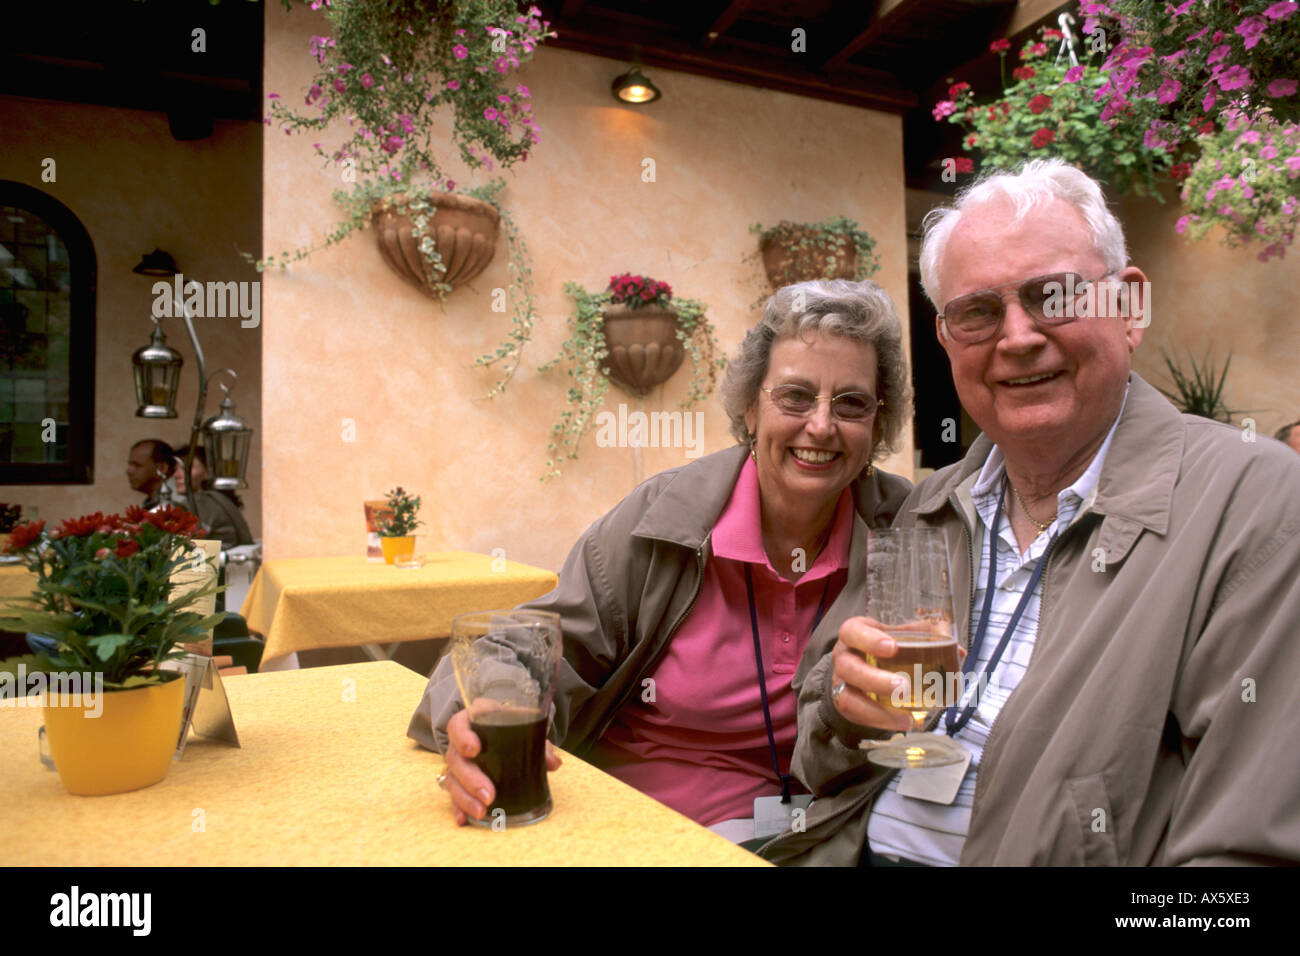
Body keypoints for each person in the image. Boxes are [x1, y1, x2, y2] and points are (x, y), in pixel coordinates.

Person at [762, 160, 1300, 866]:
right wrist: (844, 710)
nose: (1017, 337)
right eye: (978, 312)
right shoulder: (929, 506)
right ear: (948, 339)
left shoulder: (1258, 505)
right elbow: (815, 759)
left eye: (1056, 295)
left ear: (1129, 308)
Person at [408, 279, 914, 844]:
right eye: (794, 396)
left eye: (851, 403)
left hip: (809, 835)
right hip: (629, 832)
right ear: (750, 408)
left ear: (877, 421)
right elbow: (511, 647)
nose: (821, 425)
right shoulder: (664, 518)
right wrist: (490, 713)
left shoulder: (906, 530)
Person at [172, 446, 254, 549]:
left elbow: (187, 548)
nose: (176, 475)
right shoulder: (216, 498)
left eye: (187, 468)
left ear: (208, 472)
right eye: (176, 469)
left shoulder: (204, 502)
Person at [125, 439, 174, 509]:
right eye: (130, 465)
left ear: (162, 468)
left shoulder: (177, 504)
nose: (129, 471)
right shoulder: (153, 502)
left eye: (137, 465)